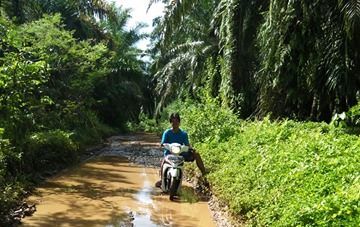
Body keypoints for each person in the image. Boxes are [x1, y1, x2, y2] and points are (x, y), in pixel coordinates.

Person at [155, 112, 207, 188]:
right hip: (169, 154)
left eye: (176, 121)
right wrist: (163, 145)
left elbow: (187, 145)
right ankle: (162, 179)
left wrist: (190, 148)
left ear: (179, 122)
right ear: (170, 122)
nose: (174, 123)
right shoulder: (167, 133)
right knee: (163, 162)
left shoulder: (183, 134)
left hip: (181, 154)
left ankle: (204, 173)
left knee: (196, 153)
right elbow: (163, 143)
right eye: (173, 121)